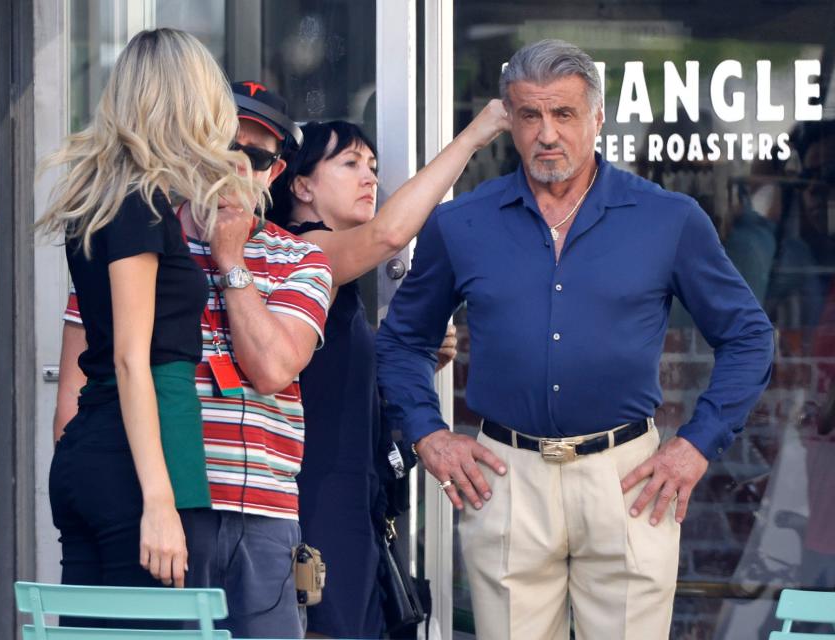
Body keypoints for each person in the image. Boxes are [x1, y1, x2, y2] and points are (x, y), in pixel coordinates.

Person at [375, 39, 775, 639]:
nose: (547, 134)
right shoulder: (463, 223)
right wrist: (429, 436)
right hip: (505, 476)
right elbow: (403, 341)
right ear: (509, 119)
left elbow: (748, 336)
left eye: (563, 114)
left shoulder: (668, 219)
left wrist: (696, 445)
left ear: (597, 118)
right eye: (529, 115)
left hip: (627, 479)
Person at [56, 80, 333, 638]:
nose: (235, 167)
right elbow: (78, 393)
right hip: (165, 503)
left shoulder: (300, 257)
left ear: (274, 174)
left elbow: (274, 368)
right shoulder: (139, 242)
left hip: (263, 512)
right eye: (223, 147)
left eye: (255, 157)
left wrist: (232, 262)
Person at [38, 28, 264, 623]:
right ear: (192, 103)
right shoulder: (139, 205)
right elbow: (131, 359)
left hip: (96, 448)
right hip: (139, 451)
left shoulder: (104, 201)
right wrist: (159, 501)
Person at [266, 103, 507, 638]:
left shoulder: (333, 278)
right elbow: (388, 236)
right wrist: (476, 134)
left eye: (373, 165)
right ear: (301, 185)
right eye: (351, 163)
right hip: (317, 497)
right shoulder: (300, 250)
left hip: (350, 494)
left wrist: (407, 354)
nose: (370, 176)